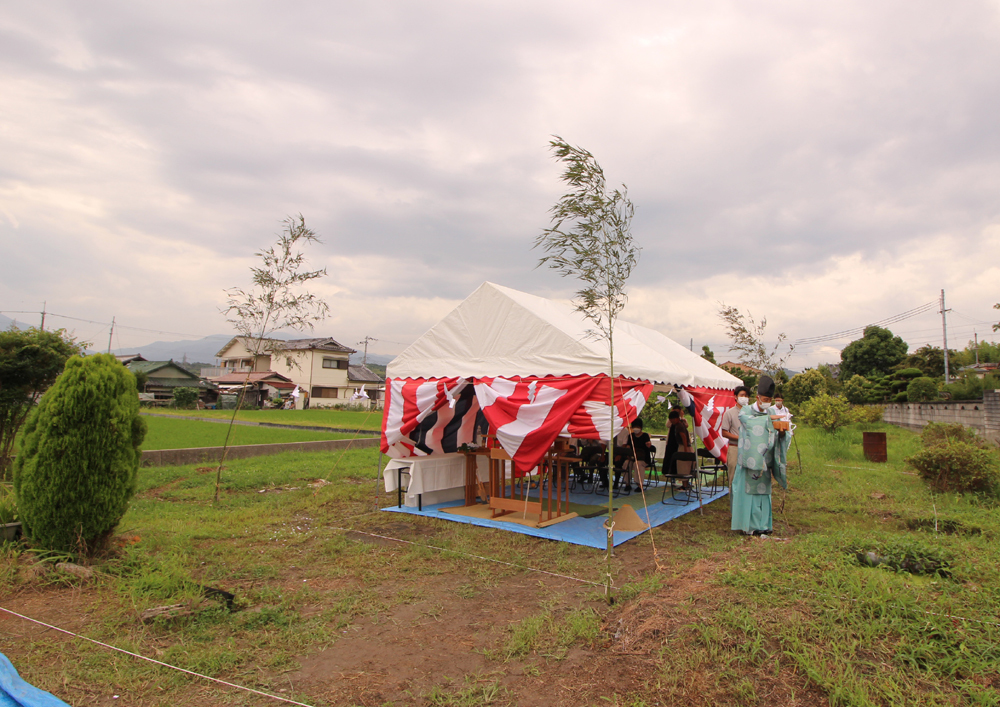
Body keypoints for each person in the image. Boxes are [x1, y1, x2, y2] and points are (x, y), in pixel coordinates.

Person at [730, 375, 792, 535]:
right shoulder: (745, 410)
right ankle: (748, 526)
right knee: (748, 493)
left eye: (769, 400)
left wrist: (783, 433)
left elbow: (775, 432)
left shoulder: (770, 411)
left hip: (765, 460)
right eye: (765, 399)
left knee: (763, 494)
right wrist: (769, 420)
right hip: (750, 461)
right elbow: (750, 424)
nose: (767, 403)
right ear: (757, 397)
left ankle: (763, 525)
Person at [721, 385, 750, 482]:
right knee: (734, 476)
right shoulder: (729, 413)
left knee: (748, 476)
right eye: (742, 395)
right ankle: (733, 496)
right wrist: (740, 437)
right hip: (735, 447)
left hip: (749, 448)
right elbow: (724, 432)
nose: (744, 398)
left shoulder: (751, 413)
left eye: (746, 396)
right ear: (736, 397)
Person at [621, 418, 653, 491]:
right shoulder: (630, 436)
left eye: (637, 427)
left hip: (643, 458)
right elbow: (628, 447)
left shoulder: (645, 436)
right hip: (632, 457)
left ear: (641, 428)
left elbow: (649, 445)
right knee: (626, 463)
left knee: (637, 464)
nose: (635, 429)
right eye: (634, 427)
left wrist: (649, 445)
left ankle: (639, 484)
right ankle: (627, 483)